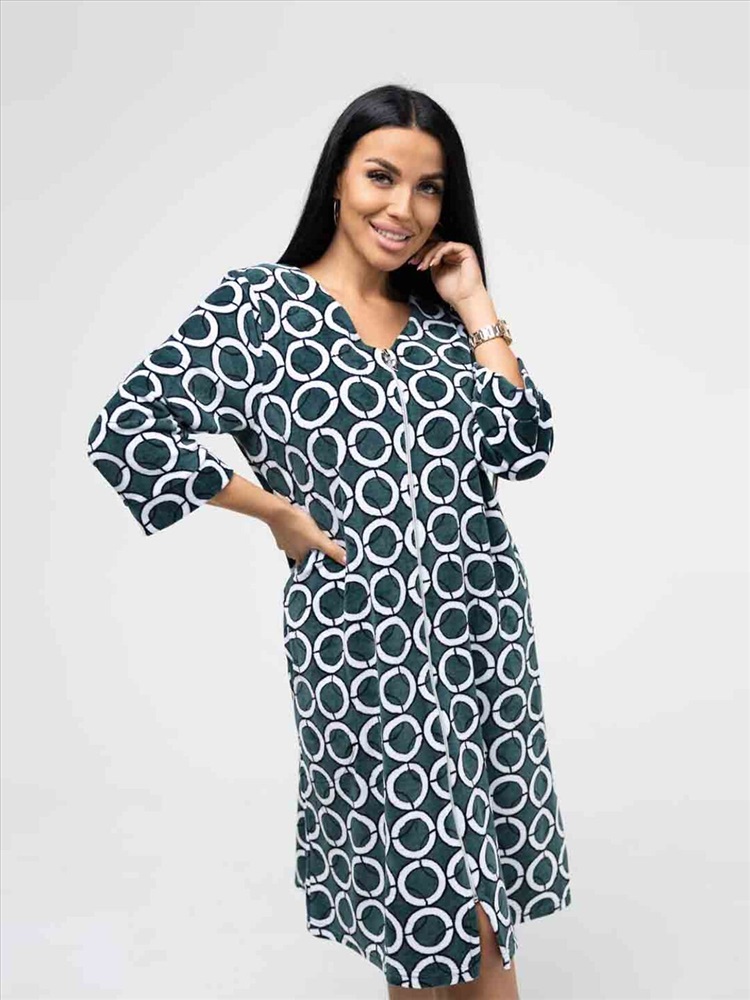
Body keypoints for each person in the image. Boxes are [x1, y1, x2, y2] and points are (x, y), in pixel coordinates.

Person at [86, 84, 572, 999]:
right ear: (338, 181)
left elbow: (523, 444)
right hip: (363, 645)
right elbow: (127, 429)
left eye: (429, 188)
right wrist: (273, 510)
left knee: (463, 919)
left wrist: (476, 305)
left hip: (481, 638)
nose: (404, 207)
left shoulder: (442, 327)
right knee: (435, 912)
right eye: (382, 177)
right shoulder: (258, 308)